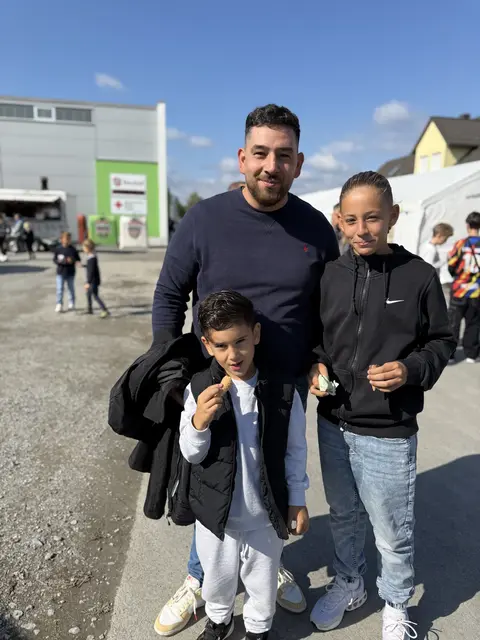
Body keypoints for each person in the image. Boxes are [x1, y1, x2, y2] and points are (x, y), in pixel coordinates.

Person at [152, 103, 339, 636]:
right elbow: (169, 296)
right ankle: (200, 578)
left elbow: (328, 308)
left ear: (298, 163)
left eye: (283, 155)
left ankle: (265, 566)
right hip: (217, 383)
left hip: (284, 387)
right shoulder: (204, 220)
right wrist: (170, 370)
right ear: (241, 158)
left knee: (269, 476)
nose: (270, 166)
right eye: (260, 153)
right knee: (213, 481)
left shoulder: (315, 229)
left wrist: (321, 357)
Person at [309, 171, 455, 639]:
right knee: (343, 516)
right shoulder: (329, 275)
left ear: (393, 216)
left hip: (389, 429)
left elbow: (442, 341)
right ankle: (349, 583)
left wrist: (410, 369)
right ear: (339, 220)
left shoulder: (419, 276)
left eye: (372, 218)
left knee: (392, 529)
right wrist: (315, 366)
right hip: (333, 422)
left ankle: (396, 603)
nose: (362, 230)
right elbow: (317, 338)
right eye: (351, 220)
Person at [179, 291, 309, 640]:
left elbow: (296, 449)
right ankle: (219, 620)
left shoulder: (283, 390)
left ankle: (257, 628)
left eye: (240, 341)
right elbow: (190, 454)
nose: (233, 355)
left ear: (256, 334)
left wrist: (297, 500)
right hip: (216, 514)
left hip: (264, 513)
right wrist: (199, 421)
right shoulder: (199, 387)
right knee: (217, 579)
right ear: (207, 345)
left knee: (262, 580)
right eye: (221, 346)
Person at [447, 211, 480, 364]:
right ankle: (471, 354)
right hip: (477, 291)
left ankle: (450, 355)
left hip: (459, 289)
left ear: (467, 225)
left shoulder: (460, 244)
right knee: (473, 324)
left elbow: (451, 264)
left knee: (453, 323)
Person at [53, 232, 81, 313]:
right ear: (62, 240)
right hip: (60, 272)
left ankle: (71, 303)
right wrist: (60, 261)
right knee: (59, 289)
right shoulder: (58, 249)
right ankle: (59, 304)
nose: (68, 241)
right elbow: (54, 259)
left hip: (70, 273)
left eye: (69, 239)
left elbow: (78, 259)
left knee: (71, 289)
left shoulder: (73, 249)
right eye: (66, 239)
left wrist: (73, 260)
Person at [82, 239, 110, 318]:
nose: (83, 249)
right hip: (93, 280)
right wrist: (83, 266)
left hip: (93, 281)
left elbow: (91, 271)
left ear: (88, 248)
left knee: (95, 296)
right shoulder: (91, 256)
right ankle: (90, 309)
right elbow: (90, 267)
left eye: (84, 247)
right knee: (88, 294)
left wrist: (88, 283)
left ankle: (105, 310)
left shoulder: (92, 258)